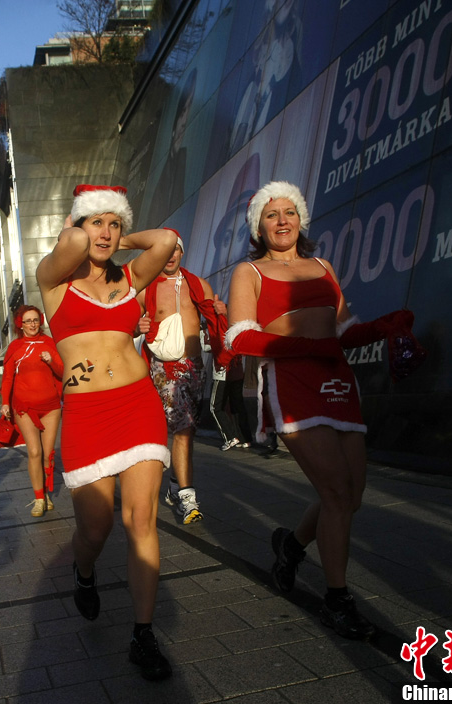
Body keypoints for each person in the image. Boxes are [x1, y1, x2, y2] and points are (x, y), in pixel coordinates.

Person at [226, 181, 415, 640]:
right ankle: (337, 600)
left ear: (301, 219)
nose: (282, 221)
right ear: (258, 226)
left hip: (337, 381)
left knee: (351, 496)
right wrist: (309, 346)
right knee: (334, 492)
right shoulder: (249, 271)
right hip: (292, 384)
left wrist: (385, 327)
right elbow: (241, 338)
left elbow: (343, 332)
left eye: (290, 212)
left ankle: (291, 547)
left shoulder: (323, 266)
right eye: (272, 215)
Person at [36, 183, 176, 681]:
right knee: (96, 529)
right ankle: (84, 571)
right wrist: (82, 232)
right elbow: (74, 245)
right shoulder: (53, 281)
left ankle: (143, 634)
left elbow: (166, 239)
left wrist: (118, 238)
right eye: (97, 221)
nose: (107, 232)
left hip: (138, 405)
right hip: (87, 413)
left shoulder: (129, 278)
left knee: (141, 521)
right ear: (77, 224)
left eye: (115, 224)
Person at [137, 232, 229, 525]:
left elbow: (213, 319)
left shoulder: (198, 284)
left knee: (187, 431)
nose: (170, 256)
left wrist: (221, 313)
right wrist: (138, 326)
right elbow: (127, 325)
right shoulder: (146, 289)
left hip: (195, 367)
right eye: (166, 251)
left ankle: (175, 486)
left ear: (181, 253)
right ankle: (188, 499)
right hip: (165, 368)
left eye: (175, 250)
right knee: (184, 429)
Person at [0, 305, 63, 517]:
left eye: (35, 320)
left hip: (51, 407)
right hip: (24, 407)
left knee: (47, 454)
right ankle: (38, 498)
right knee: (34, 452)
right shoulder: (15, 347)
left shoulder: (49, 343)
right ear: (21, 324)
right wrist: (5, 402)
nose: (32, 324)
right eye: (28, 321)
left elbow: (62, 372)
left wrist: (51, 360)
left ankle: (46, 493)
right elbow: (7, 378)